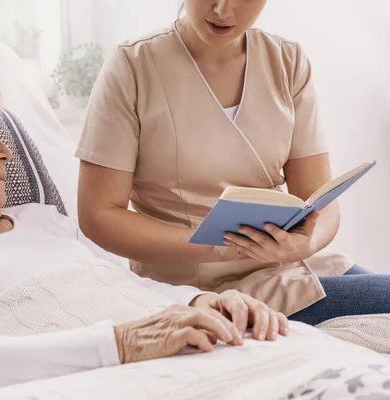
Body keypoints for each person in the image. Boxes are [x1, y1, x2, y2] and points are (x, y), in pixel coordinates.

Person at [0, 71, 287, 399]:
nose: (4, 152)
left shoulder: (45, 220)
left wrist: (200, 303)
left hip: (205, 360)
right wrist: (120, 343)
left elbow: (126, 286)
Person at [76, 0, 390, 326]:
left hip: (286, 270)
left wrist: (300, 245)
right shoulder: (133, 65)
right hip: (199, 289)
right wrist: (215, 249)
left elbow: (319, 200)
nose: (223, 9)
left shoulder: (287, 61)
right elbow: (98, 214)